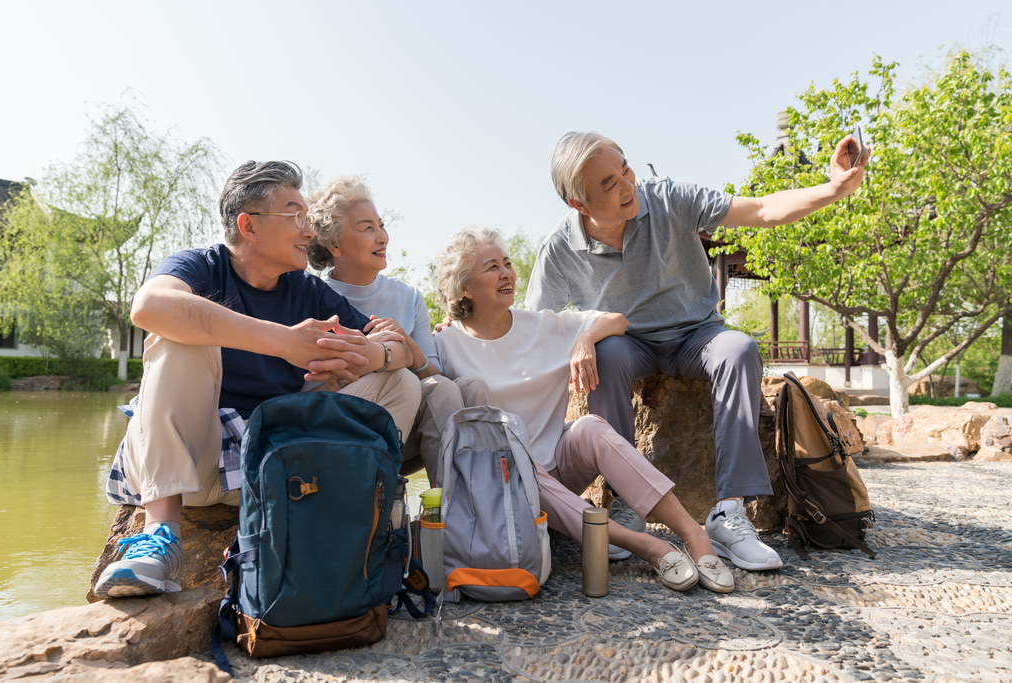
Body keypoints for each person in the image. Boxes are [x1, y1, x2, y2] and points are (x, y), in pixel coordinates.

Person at [525, 131, 870, 570]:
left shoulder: (668, 199)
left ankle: (729, 512)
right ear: (579, 204)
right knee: (606, 355)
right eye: (609, 184)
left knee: (740, 349)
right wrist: (464, 326)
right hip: (629, 343)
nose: (628, 186)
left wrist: (834, 188)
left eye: (626, 169)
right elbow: (533, 328)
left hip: (698, 334)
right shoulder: (559, 248)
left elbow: (761, 209)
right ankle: (629, 503)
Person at [94, 161, 421, 599]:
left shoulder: (309, 290)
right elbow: (149, 306)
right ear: (248, 225)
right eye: (295, 216)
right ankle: (161, 537)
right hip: (195, 459)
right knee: (175, 336)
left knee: (402, 384)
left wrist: (374, 354)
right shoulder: (202, 267)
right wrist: (283, 342)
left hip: (269, 467)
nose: (309, 231)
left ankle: (340, 518)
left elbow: (403, 352)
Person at [433, 226, 735, 594]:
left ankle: (693, 534)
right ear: (465, 288)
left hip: (558, 465)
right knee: (517, 458)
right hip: (503, 483)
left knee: (590, 427)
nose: (507, 272)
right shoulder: (446, 343)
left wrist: (585, 339)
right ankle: (648, 546)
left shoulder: (542, 325)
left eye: (508, 264)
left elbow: (618, 320)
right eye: (492, 266)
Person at [307, 175, 485, 484]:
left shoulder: (408, 297)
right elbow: (312, 387)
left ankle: (472, 505)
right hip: (349, 428)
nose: (382, 237)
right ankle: (459, 518)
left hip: (414, 427)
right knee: (425, 384)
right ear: (334, 244)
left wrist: (405, 348)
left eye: (381, 225)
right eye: (367, 228)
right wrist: (378, 358)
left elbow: (434, 377)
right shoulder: (313, 297)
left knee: (471, 387)